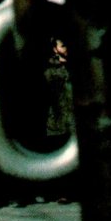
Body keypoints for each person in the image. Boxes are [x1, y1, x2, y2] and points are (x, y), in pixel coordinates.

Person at [43, 35, 76, 204]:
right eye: (63, 45)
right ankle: (63, 191)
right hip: (57, 118)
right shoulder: (50, 69)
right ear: (55, 48)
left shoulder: (78, 65)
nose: (67, 48)